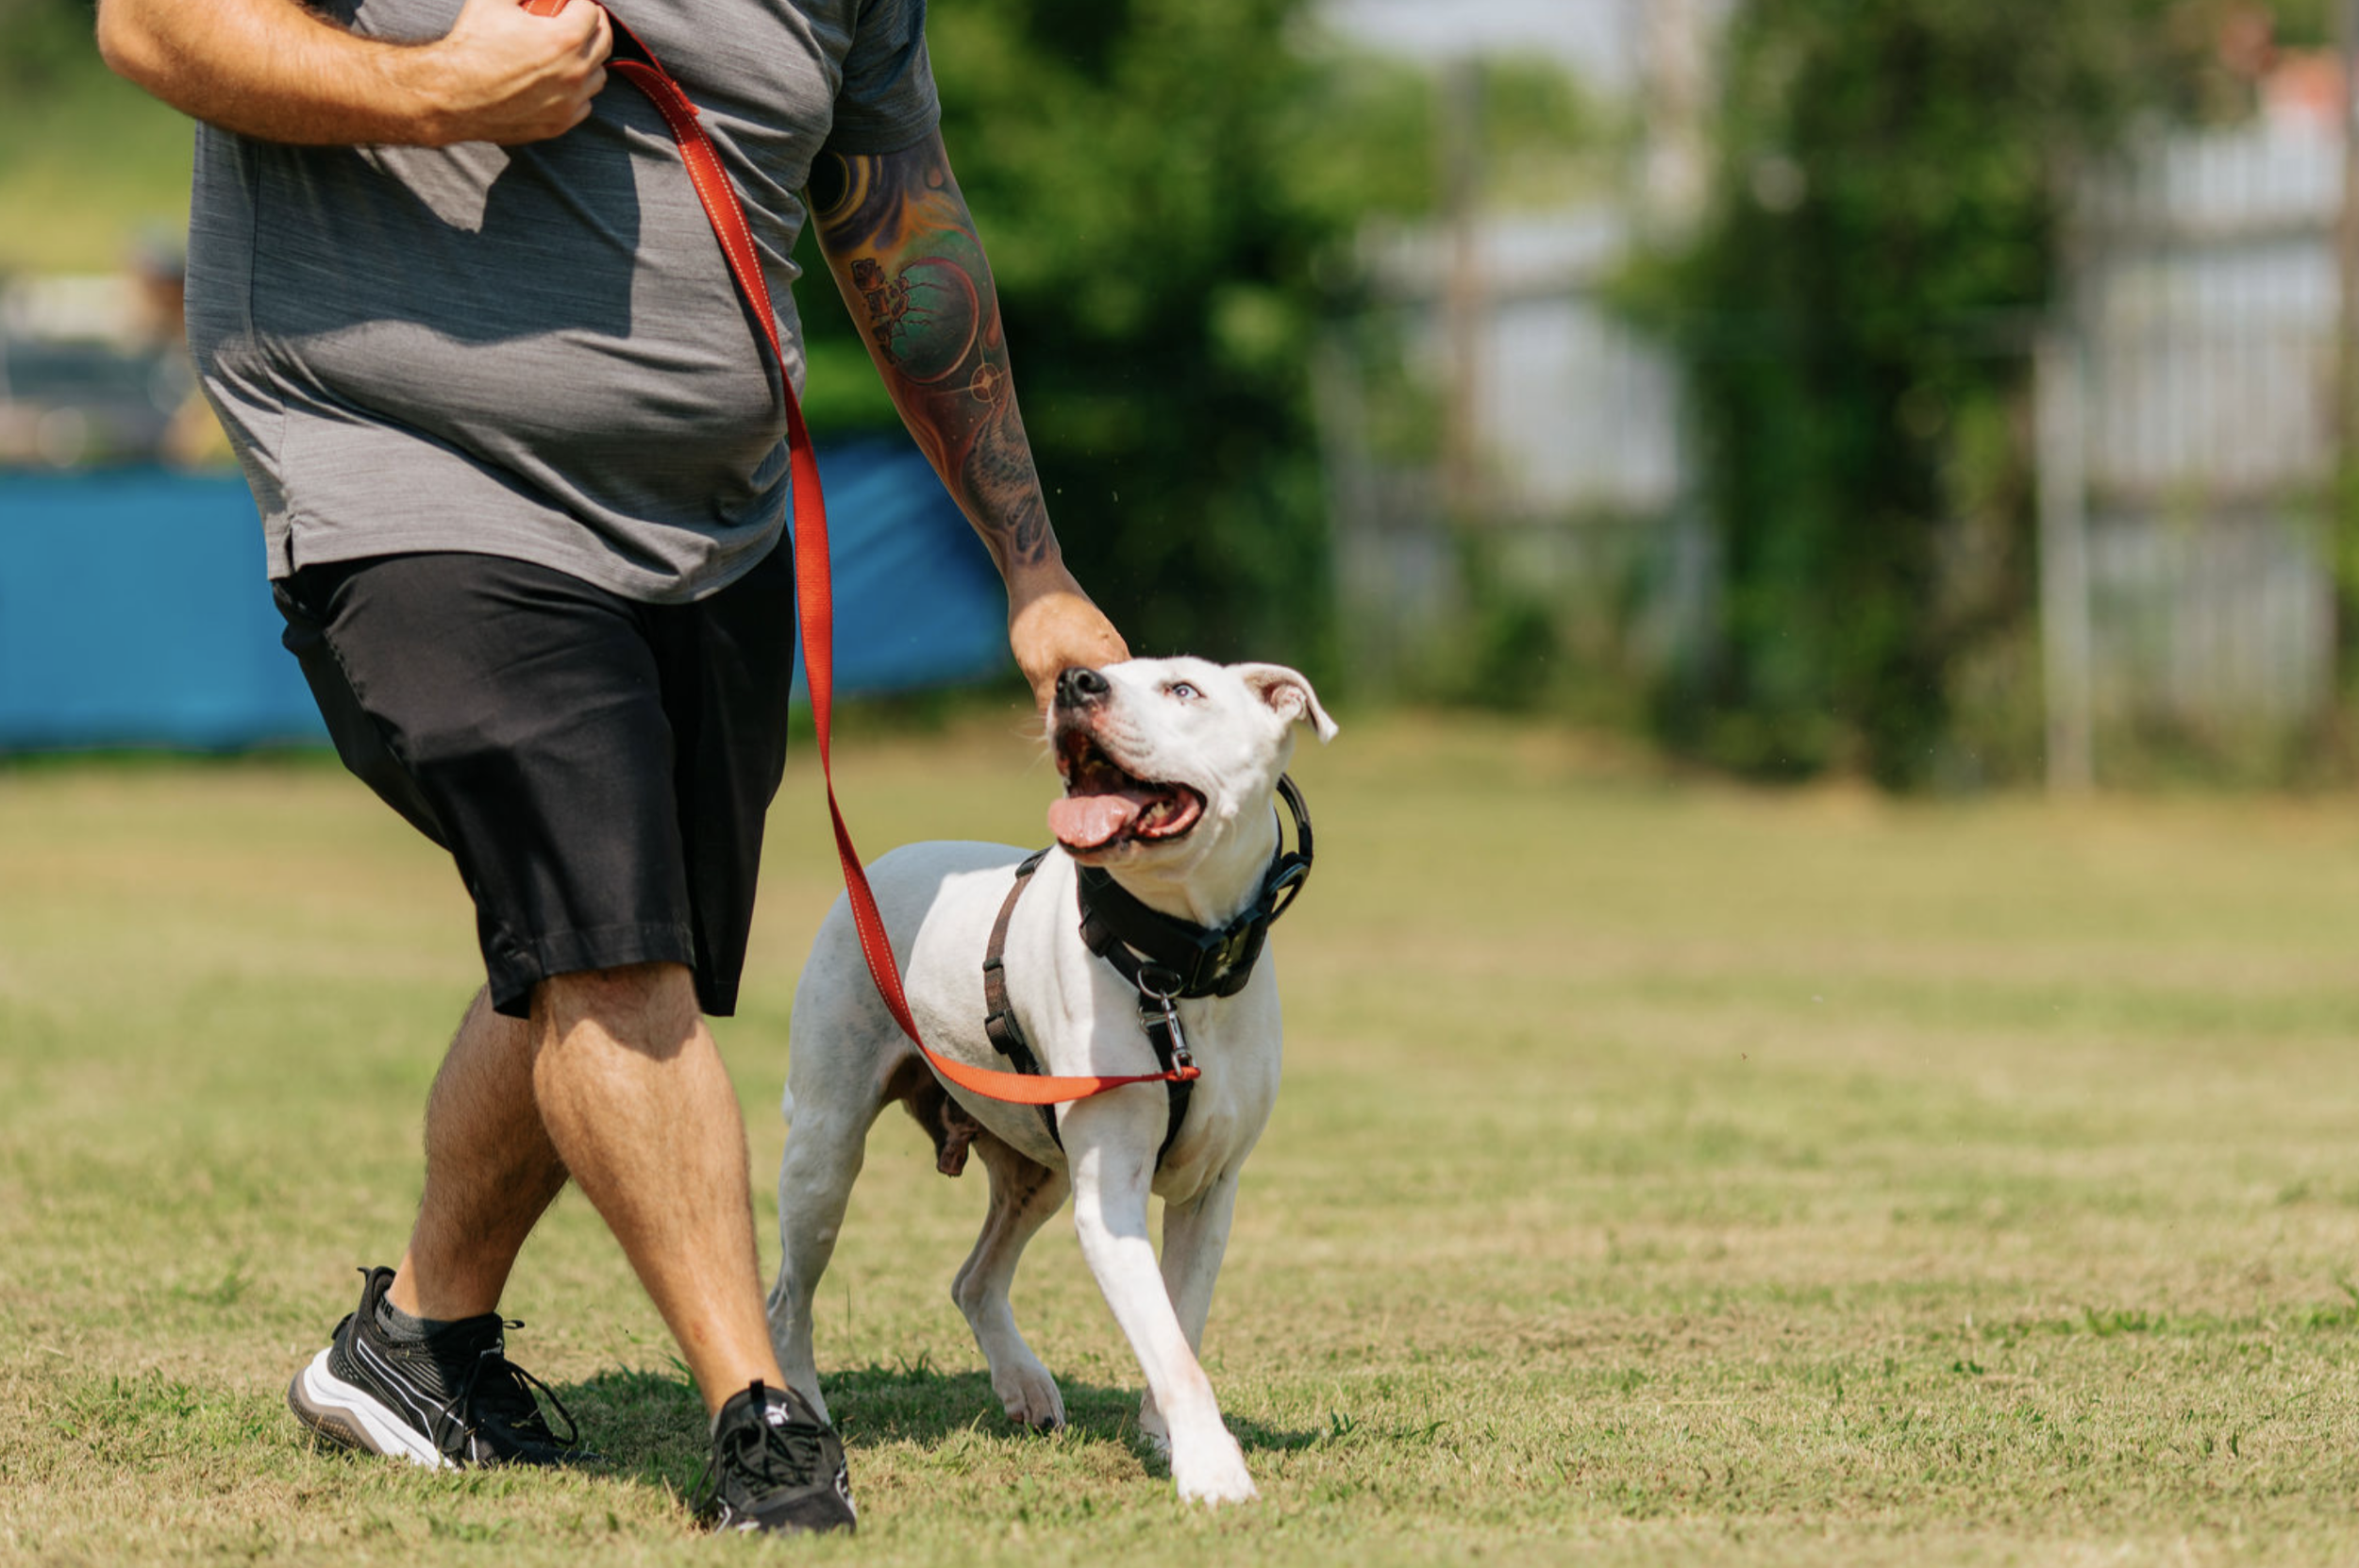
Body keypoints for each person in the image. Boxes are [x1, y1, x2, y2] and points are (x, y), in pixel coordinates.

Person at [95, 0, 1127, 1535]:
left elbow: (898, 216)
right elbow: (155, 24)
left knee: (617, 939)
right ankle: (760, 1418)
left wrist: (1031, 565)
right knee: (608, 933)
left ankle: (416, 1342)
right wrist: (437, 90)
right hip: (405, 473)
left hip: (707, 533)